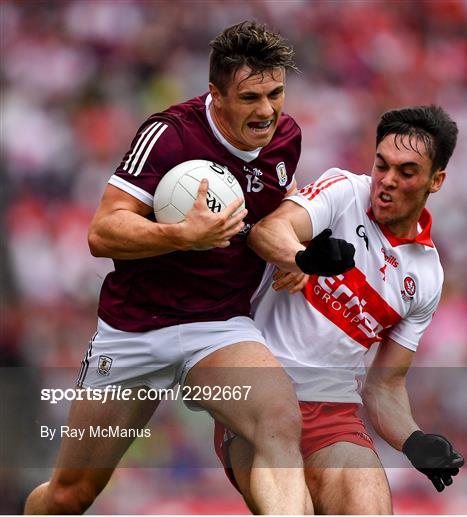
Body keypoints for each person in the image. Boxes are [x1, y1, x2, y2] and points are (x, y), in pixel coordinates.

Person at [24, 21, 314, 515]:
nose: (266, 111)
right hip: (135, 332)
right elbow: (102, 232)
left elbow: (270, 218)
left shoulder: (285, 137)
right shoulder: (169, 135)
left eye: (275, 93)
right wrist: (180, 235)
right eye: (250, 98)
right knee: (70, 494)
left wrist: (291, 257)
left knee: (279, 423)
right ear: (215, 95)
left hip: (219, 328)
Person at [214, 105, 465, 514]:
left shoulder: (427, 275)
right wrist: (302, 258)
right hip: (258, 397)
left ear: (436, 180)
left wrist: (413, 440)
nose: (386, 181)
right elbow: (268, 232)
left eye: (406, 172)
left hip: (333, 414)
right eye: (381, 165)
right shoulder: (343, 191)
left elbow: (384, 386)